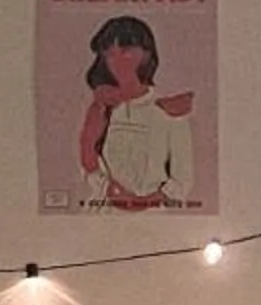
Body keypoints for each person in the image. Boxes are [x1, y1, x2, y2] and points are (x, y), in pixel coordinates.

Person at [78, 16, 195, 209]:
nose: (117, 60)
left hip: (157, 220)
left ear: (146, 54)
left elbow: (182, 178)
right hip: (103, 215)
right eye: (110, 54)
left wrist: (145, 201)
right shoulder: (101, 107)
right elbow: (89, 160)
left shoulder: (168, 109)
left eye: (126, 51)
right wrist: (110, 191)